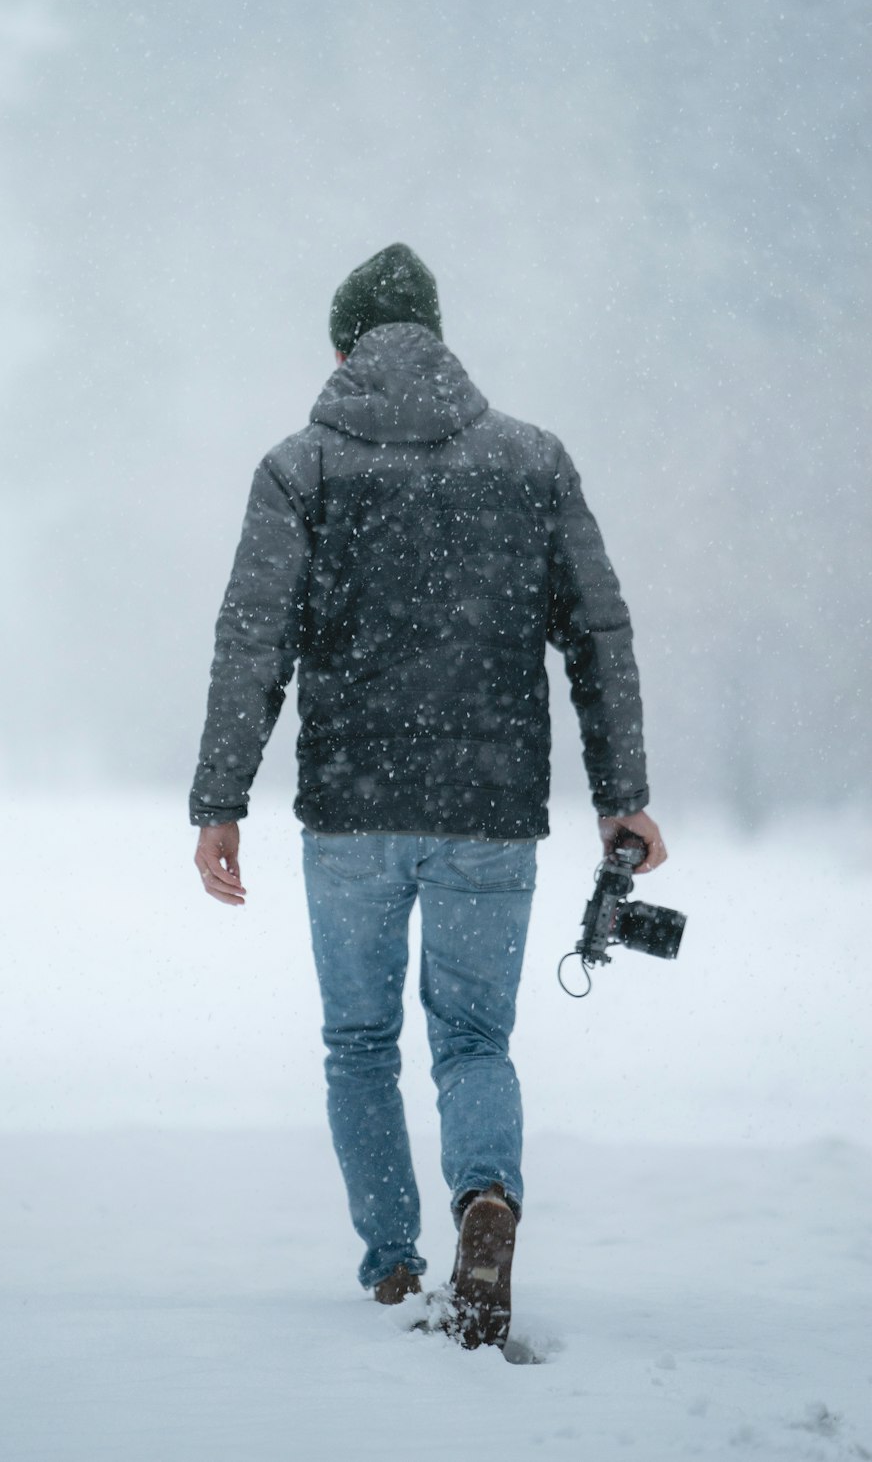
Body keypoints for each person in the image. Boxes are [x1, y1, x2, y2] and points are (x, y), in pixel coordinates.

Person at [191, 243, 666, 1349]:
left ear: (342, 347)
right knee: (472, 1039)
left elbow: (250, 641)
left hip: (351, 810)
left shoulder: (298, 468)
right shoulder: (532, 461)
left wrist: (220, 799)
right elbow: (598, 633)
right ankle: (485, 1199)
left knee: (359, 1043)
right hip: (489, 812)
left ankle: (396, 1263)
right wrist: (621, 795)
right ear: (440, 337)